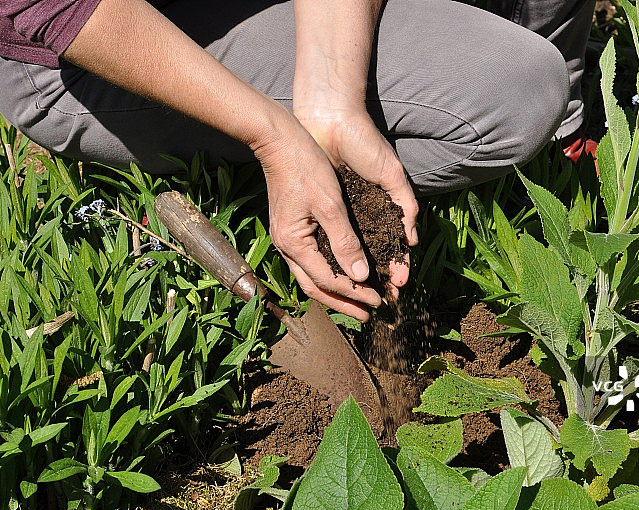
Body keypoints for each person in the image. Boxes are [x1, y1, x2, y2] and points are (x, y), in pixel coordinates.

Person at [0, 0, 593, 321]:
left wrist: (332, 103)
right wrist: (273, 139)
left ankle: (565, 151)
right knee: (513, 89)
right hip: (95, 42)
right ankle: (295, 192)